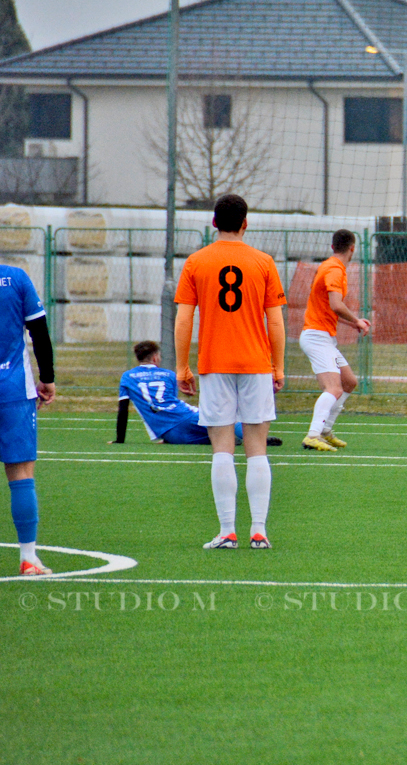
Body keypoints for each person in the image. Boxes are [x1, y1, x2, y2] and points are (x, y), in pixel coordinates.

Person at [174, 193, 287, 550]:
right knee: (256, 448)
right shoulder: (264, 262)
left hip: (214, 364)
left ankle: (227, 532)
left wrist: (181, 366)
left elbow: (183, 318)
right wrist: (278, 366)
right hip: (255, 364)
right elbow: (276, 321)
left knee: (222, 448)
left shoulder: (196, 261)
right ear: (245, 223)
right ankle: (259, 530)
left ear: (213, 223)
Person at [112, 340, 282, 447]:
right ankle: (257, 439)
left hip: (170, 434)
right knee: (223, 422)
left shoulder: (127, 377)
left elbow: (123, 410)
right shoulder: (169, 375)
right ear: (155, 358)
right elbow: (171, 400)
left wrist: (120, 440)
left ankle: (236, 439)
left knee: (217, 439)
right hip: (184, 416)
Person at [0, 261, 55, 575]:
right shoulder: (15, 278)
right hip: (13, 389)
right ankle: (28, 558)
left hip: (16, 391)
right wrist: (47, 377)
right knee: (21, 473)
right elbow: (39, 331)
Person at [298, 229, 370, 452]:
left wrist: (354, 324)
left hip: (323, 337)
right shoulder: (335, 270)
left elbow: (329, 308)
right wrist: (357, 320)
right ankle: (313, 435)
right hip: (316, 336)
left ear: (332, 247)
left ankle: (325, 430)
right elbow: (337, 304)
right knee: (333, 388)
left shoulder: (328, 265)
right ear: (352, 249)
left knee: (348, 382)